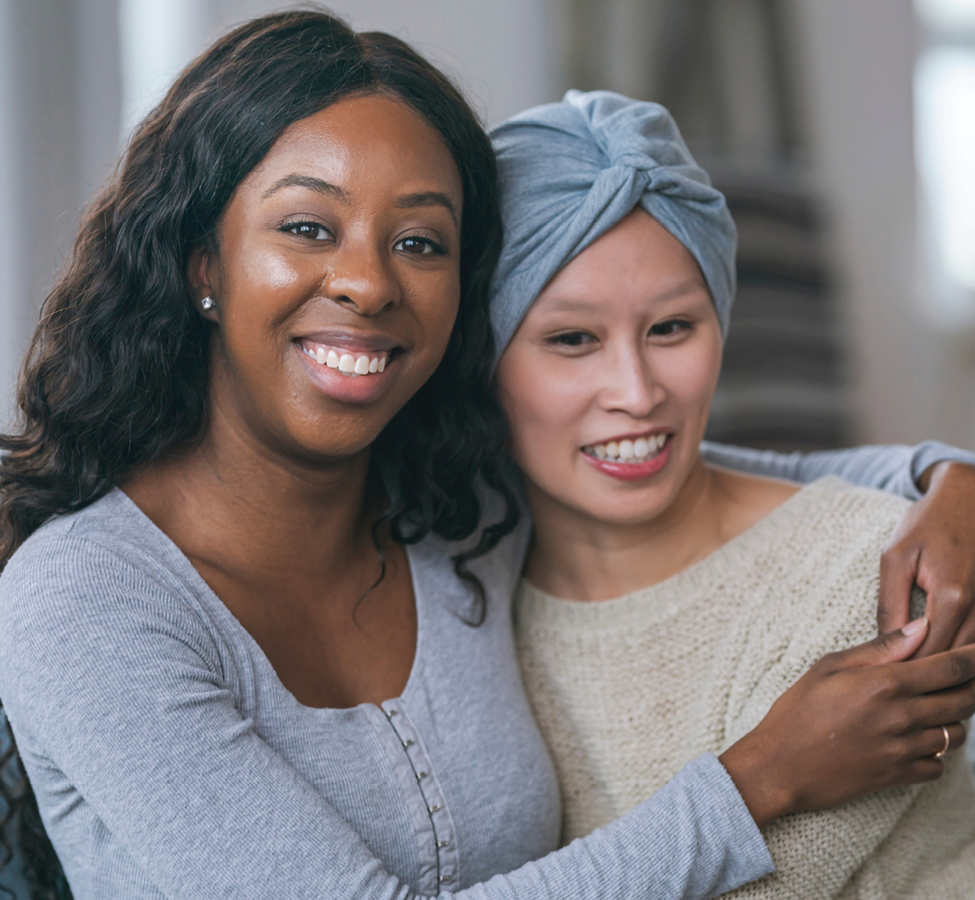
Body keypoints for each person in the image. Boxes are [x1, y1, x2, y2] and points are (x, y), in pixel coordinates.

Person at [2, 11, 975, 900]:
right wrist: (759, 778)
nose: (367, 282)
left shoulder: (454, 509)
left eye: (421, 241)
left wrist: (949, 483)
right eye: (307, 227)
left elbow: (664, 458)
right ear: (201, 262)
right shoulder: (84, 602)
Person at [489, 90, 975, 897]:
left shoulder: (872, 578)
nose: (636, 392)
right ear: (483, 360)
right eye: (572, 339)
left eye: (671, 327)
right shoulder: (466, 585)